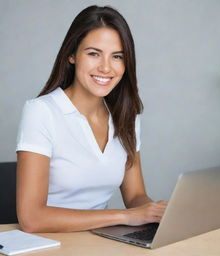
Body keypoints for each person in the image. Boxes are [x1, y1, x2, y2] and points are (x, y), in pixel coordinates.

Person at [16, 5, 167, 233]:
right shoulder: (41, 112)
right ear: (72, 55)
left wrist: (155, 212)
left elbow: (135, 195)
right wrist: (126, 216)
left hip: (99, 240)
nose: (106, 67)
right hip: (49, 242)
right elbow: (32, 218)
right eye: (94, 53)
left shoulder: (126, 115)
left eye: (117, 56)